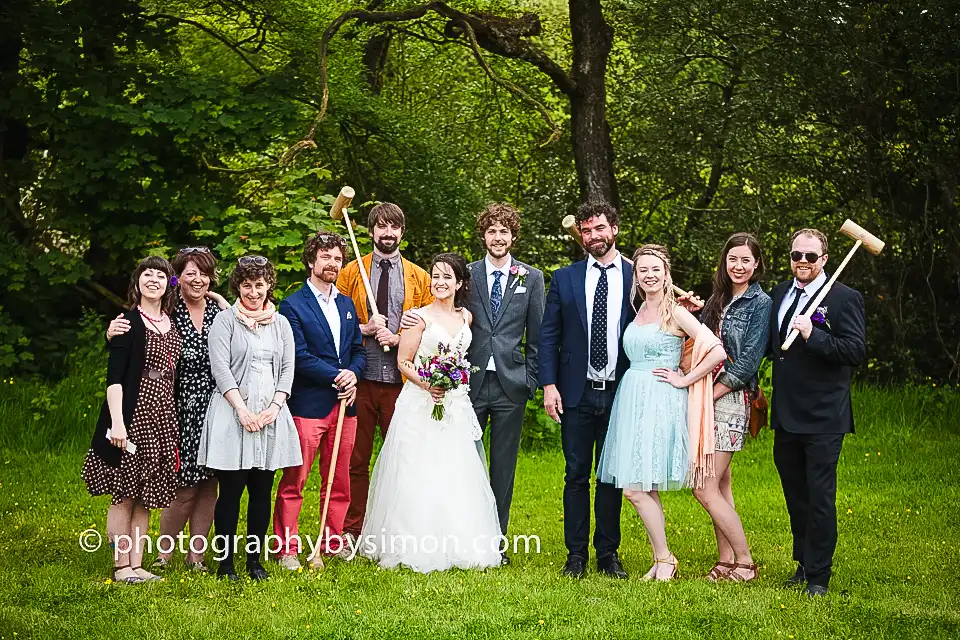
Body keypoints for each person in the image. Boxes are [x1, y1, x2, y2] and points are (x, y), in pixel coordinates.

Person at [360, 253, 502, 573]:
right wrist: (428, 384)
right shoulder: (416, 318)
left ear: (459, 283)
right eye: (435, 276)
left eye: (446, 277)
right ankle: (412, 543)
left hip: (453, 404)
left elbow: (460, 357)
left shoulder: (466, 317)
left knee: (455, 468)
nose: (439, 282)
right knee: (416, 470)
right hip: (420, 403)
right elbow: (403, 362)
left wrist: (449, 383)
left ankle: (457, 541)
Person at [596, 245, 726, 581]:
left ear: (666, 273)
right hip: (632, 399)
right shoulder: (638, 311)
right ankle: (661, 558)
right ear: (636, 277)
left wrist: (684, 379)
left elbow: (716, 350)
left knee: (634, 488)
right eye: (643, 271)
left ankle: (666, 558)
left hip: (660, 400)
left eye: (656, 269)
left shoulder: (675, 312)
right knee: (643, 486)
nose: (649, 275)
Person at [106, 247, 229, 572]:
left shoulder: (219, 312)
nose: (198, 279)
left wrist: (221, 300)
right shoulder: (169, 311)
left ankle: (196, 557)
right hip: (174, 407)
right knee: (183, 486)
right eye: (190, 273)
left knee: (209, 485)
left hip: (215, 409)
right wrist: (111, 332)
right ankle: (162, 554)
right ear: (177, 278)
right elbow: (135, 336)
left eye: (204, 273)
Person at [538, 201, 634, 579]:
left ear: (615, 229)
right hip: (575, 392)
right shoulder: (565, 277)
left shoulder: (636, 276)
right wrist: (549, 384)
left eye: (599, 229)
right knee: (576, 473)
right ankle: (575, 554)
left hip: (619, 391)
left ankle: (608, 553)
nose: (593, 236)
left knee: (610, 475)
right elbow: (549, 335)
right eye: (586, 230)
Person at [769, 228, 866, 597]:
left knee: (820, 495)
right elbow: (771, 348)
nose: (803, 263)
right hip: (787, 414)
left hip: (825, 417)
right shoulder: (780, 293)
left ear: (825, 259)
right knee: (796, 495)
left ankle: (819, 577)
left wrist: (814, 335)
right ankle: (803, 563)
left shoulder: (844, 299)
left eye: (811, 256)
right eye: (797, 256)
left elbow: (855, 351)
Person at [198, 256, 303, 581]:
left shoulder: (281, 323)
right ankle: (225, 564)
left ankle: (254, 562)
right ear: (238, 286)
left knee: (261, 492)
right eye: (247, 285)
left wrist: (275, 406)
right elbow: (221, 368)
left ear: (269, 285)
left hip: (270, 417)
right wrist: (241, 409)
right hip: (234, 416)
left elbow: (287, 369)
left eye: (259, 285)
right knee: (230, 493)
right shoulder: (226, 321)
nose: (254, 292)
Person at [337, 202, 433, 548]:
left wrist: (398, 337)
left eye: (394, 227)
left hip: (401, 384)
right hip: (361, 380)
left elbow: (429, 329)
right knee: (356, 459)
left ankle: (397, 528)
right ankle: (352, 529)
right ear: (371, 231)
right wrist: (364, 327)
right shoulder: (350, 273)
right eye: (382, 226)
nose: (388, 233)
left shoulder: (420, 278)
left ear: (402, 233)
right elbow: (338, 324)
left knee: (401, 459)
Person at [82, 256, 182, 584]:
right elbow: (114, 378)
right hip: (133, 414)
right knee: (124, 493)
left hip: (162, 416)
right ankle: (121, 565)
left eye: (160, 275)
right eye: (146, 274)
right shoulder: (127, 321)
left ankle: (137, 564)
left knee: (145, 495)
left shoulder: (171, 321)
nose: (153, 279)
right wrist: (118, 423)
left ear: (169, 282)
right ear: (137, 281)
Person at [272, 232, 366, 570]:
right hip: (309, 406)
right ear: (311, 260)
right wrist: (336, 375)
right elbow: (298, 355)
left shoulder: (347, 304)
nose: (332, 263)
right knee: (295, 480)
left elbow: (358, 350)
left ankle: (332, 540)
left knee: (339, 480)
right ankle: (287, 547)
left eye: (338, 258)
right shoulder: (292, 305)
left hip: (346, 405)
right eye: (325, 257)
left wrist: (353, 374)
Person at [464, 203, 544, 564]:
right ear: (484, 236)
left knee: (502, 469)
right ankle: (465, 538)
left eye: (504, 232)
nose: (498, 238)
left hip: (512, 386)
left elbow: (539, 335)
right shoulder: (467, 274)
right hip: (470, 384)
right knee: (465, 463)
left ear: (513, 236)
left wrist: (531, 379)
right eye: (492, 231)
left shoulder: (532, 277)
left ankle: (496, 543)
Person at [693, 233, 771, 582]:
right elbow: (701, 343)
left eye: (745, 261)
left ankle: (745, 562)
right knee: (721, 486)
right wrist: (692, 313)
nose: (738, 267)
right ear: (724, 263)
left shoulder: (760, 303)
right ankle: (726, 562)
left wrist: (708, 396)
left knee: (703, 487)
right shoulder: (717, 299)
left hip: (729, 400)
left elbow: (748, 363)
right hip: (708, 394)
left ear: (756, 265)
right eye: (732, 260)